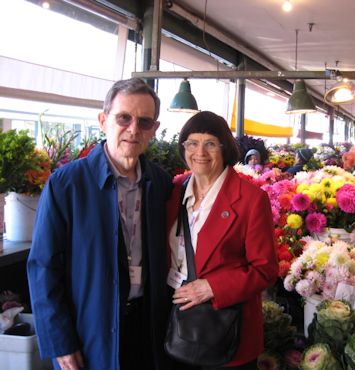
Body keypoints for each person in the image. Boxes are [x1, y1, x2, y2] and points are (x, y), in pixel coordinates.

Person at [27, 78, 174, 370]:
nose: (133, 129)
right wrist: (61, 343)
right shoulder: (67, 184)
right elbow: (43, 268)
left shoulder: (160, 183)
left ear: (154, 130)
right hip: (90, 333)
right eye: (124, 118)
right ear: (103, 120)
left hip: (148, 331)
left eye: (144, 122)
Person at [166, 111, 278, 370]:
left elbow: (265, 270)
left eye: (210, 143)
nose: (200, 152)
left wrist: (213, 287)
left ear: (225, 148)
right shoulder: (174, 192)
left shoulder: (250, 199)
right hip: (177, 323)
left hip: (225, 328)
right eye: (192, 143)